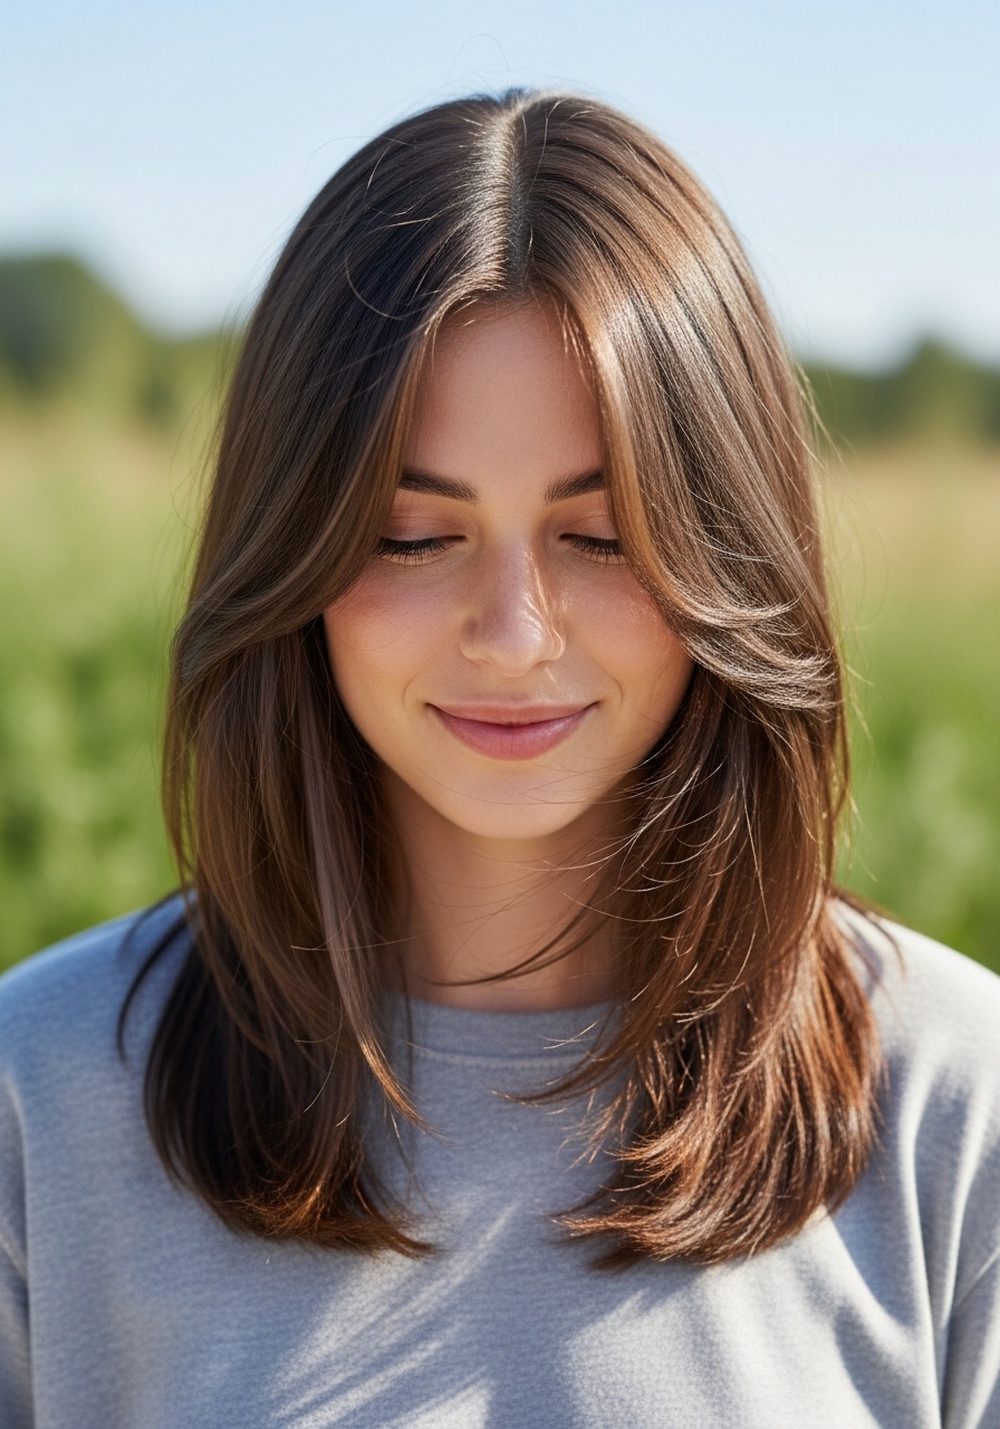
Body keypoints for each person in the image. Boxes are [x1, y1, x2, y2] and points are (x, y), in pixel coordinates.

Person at [0, 86, 997, 1429]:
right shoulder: (38, 1098)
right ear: (291, 551)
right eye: (413, 537)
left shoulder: (962, 1108)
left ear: (731, 554)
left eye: (605, 537)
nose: (516, 636)